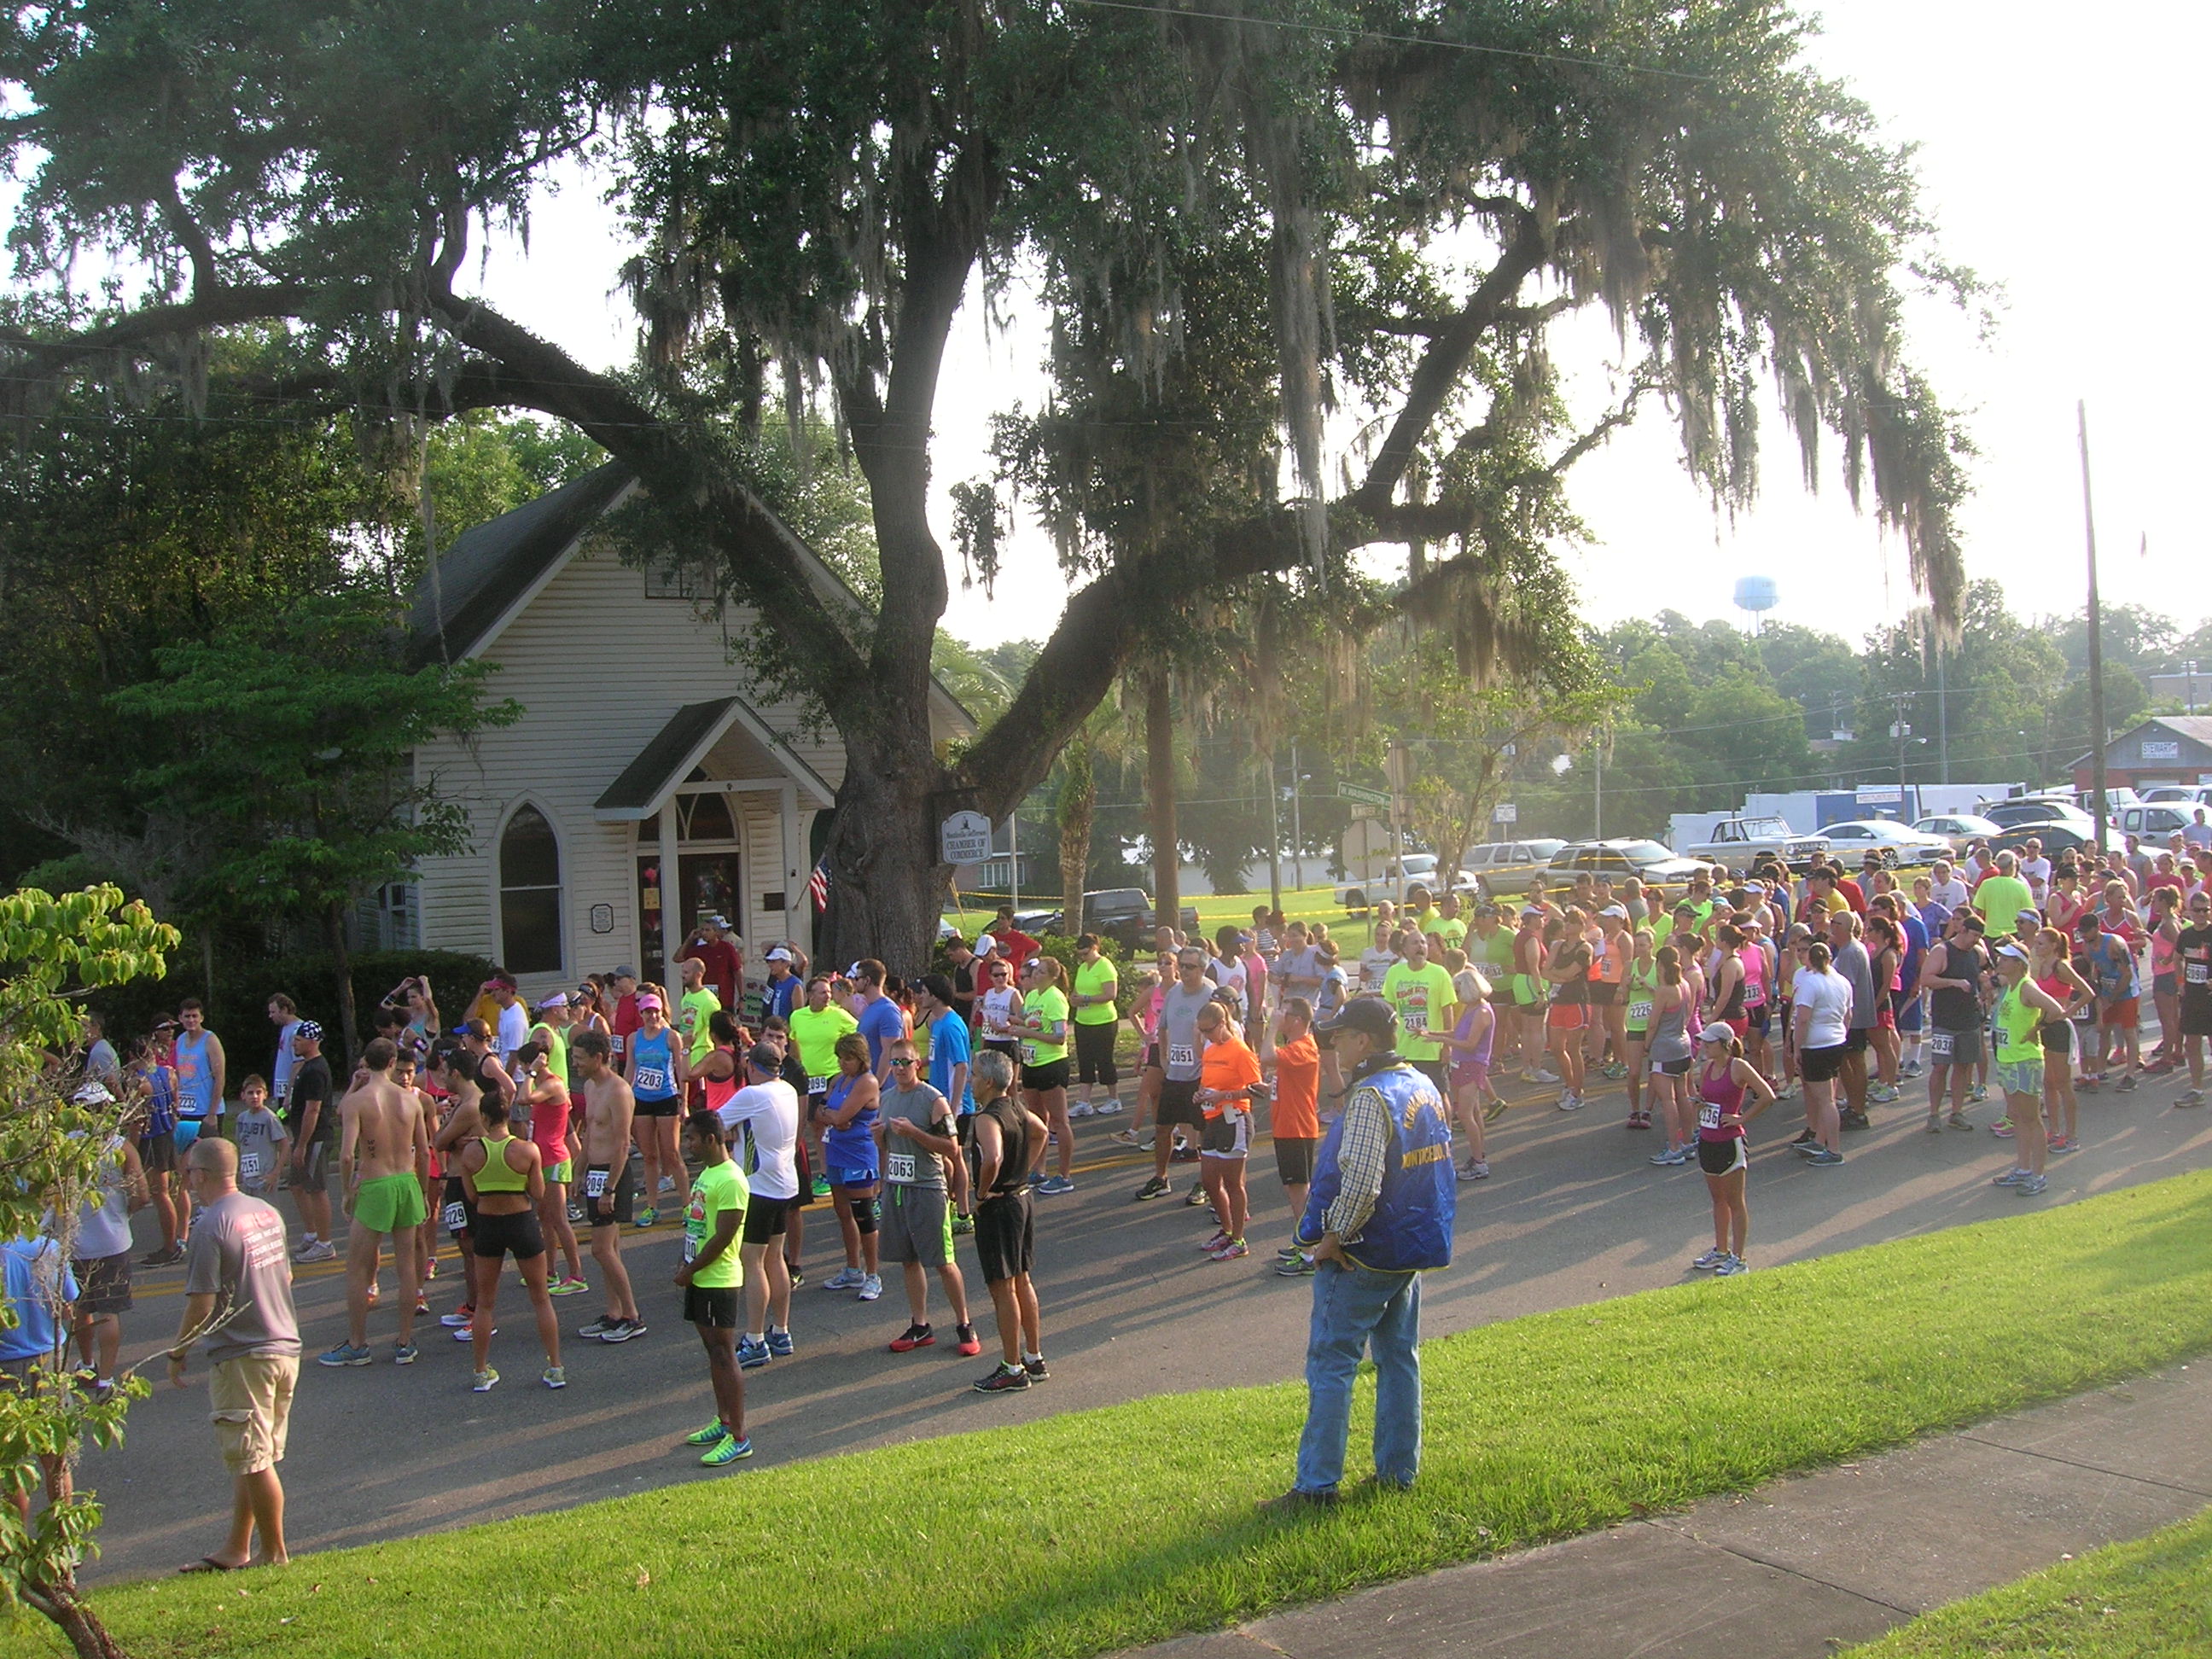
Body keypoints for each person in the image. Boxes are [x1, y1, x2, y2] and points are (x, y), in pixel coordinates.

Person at [1272, 997, 1453, 1508]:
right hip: (1411, 1246)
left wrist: (1332, 1238)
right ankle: (1399, 1471)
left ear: (1365, 1041)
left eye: (1342, 1035)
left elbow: (1363, 1182)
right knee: (1399, 1358)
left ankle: (1316, 1486)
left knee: (1332, 1363)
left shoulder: (1373, 1097)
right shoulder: (1422, 1084)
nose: (1334, 1043)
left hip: (1363, 1252)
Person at [167, 1137, 300, 1573]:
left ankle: (275, 1553)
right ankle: (237, 1546)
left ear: (200, 1175)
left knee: (253, 1458)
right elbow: (288, 1274)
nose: (188, 1181)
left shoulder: (209, 1226)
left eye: (189, 1174)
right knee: (253, 1454)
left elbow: (201, 1301)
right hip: (283, 1346)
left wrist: (179, 1350)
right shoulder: (266, 1212)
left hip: (244, 1352)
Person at [319, 1039, 430, 1368]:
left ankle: (357, 1344)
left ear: (367, 1062)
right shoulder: (410, 1101)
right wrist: (422, 1190)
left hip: (376, 1182)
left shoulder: (357, 1101)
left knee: (357, 1267)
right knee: (406, 1265)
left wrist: (346, 1192)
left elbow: (345, 1155)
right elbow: (424, 1151)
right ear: (394, 1062)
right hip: (406, 1180)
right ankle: (405, 1341)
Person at [875, 1039, 981, 1355]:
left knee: (943, 1261)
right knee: (908, 1259)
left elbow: (952, 1148)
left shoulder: (933, 1100)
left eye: (906, 1062)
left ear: (918, 1064)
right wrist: (881, 1139)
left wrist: (915, 1134)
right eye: (894, 1063)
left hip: (927, 1187)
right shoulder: (887, 1098)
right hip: (897, 1187)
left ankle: (964, 1324)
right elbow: (887, 1147)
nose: (900, 1069)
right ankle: (920, 1325)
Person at [457, 1091, 566, 1389]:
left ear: (483, 1117)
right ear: (508, 1116)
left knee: (486, 1303)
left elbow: (472, 1195)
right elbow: (539, 1193)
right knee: (541, 1298)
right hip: (521, 1223)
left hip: (488, 1224)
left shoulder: (471, 1153)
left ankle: (481, 1371)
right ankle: (555, 1366)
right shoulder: (527, 1150)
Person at [968, 1051, 1050, 1393]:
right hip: (1023, 1199)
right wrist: (1024, 1171)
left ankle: (1012, 1366)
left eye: (974, 1075)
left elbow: (992, 1157)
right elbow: (1041, 1131)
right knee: (1022, 1279)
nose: (971, 1080)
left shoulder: (987, 1118)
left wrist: (982, 1193)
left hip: (1000, 1207)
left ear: (988, 1081)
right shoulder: (1017, 1107)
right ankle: (1033, 1356)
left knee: (1001, 1286)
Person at [674, 1108, 753, 1464]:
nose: (687, 1144)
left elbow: (724, 1235)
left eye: (691, 1138)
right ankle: (723, 1421)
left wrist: (690, 1269)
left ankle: (739, 1435)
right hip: (700, 1275)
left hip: (718, 1279)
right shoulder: (707, 1174)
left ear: (711, 1139)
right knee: (713, 1353)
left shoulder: (732, 1179)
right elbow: (698, 1226)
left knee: (725, 1353)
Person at [718, 1043, 800, 1370]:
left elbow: (714, 1123)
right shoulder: (788, 1090)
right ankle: (781, 1330)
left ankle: (754, 1339)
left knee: (751, 1261)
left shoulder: (753, 1095)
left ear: (752, 1066)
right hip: (783, 1184)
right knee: (774, 1258)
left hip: (758, 1187)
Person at [65, 1091, 147, 1398]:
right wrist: (124, 1212)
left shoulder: (68, 1146)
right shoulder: (121, 1148)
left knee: (80, 1308)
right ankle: (107, 1378)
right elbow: (142, 1195)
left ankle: (86, 1364)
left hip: (75, 1242)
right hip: (113, 1241)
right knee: (109, 1312)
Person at [570, 1030, 645, 1342]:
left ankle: (632, 1315)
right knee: (609, 1249)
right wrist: (578, 1171)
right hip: (595, 1173)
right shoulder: (590, 1086)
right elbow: (589, 1134)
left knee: (601, 1248)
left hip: (613, 1176)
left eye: (579, 1059)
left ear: (598, 1058)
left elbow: (622, 1144)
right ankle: (614, 1312)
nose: (575, 1064)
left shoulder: (619, 1091)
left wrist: (610, 1189)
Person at [1688, 1026, 1778, 1276]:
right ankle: (1721, 1250)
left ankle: (1739, 1258)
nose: (1705, 1047)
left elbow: (1766, 1095)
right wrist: (1700, 1105)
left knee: (1735, 1201)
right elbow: (1709, 1098)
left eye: (1710, 1043)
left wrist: (1741, 1118)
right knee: (1717, 1200)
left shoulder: (1738, 1067)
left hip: (1730, 1141)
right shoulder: (1707, 1068)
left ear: (1725, 1044)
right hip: (1707, 1139)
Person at [1135, 947, 1217, 1199]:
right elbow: (1163, 1028)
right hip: (1174, 1073)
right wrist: (1162, 1058)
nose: (1184, 970)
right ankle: (1161, 1178)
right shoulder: (1173, 994)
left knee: (1204, 1132)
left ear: (1202, 969)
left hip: (1200, 1075)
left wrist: (1208, 1066)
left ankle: (1206, 1183)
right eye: (1182, 965)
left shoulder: (1211, 994)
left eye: (1190, 967)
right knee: (1163, 1127)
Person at [1990, 943, 2067, 1197]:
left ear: (2020, 964)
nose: (2001, 961)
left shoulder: (2026, 987)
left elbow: (2055, 1009)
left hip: (2026, 1061)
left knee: (2032, 1118)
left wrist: (2036, 1029)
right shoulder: (2009, 987)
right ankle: (2023, 1169)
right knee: (2018, 1117)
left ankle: (2038, 1174)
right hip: (2008, 1059)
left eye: (2007, 958)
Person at [1193, 998, 1265, 1260]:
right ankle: (1226, 1230)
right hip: (1213, 1119)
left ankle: (1239, 1239)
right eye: (1201, 1031)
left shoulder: (1240, 1051)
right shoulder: (1211, 1050)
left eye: (1209, 1030)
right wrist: (1202, 1094)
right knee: (1210, 1180)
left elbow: (1259, 1088)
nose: (1205, 1036)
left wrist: (1224, 1095)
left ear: (1223, 1023)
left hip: (1235, 1119)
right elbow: (1209, 1083)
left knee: (1234, 1183)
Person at [816, 1033, 883, 1300]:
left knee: (863, 1215)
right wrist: (834, 1118)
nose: (843, 1063)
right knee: (843, 1212)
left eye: (848, 1058)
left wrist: (834, 1117)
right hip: (836, 1151)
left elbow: (841, 1115)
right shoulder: (838, 1079)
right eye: (841, 1058)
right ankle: (853, 1268)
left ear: (861, 1058)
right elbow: (820, 1112)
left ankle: (873, 1273)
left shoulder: (866, 1082)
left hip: (858, 1154)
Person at [518, 1039, 587, 1295]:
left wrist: (532, 1071)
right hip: (541, 1158)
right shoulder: (540, 1083)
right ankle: (549, 1271)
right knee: (545, 1218)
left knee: (558, 1218)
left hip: (555, 1159)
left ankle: (577, 1274)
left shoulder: (551, 1084)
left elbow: (524, 1099)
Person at [1918, 910, 1992, 1132]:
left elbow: (1980, 974)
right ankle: (1933, 1114)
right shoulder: (1942, 951)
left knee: (1964, 1066)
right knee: (1941, 1066)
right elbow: (1926, 978)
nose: (1976, 941)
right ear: (1962, 930)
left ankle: (1956, 1112)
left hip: (1969, 1018)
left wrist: (1983, 986)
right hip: (1945, 1020)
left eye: (1979, 937)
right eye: (1973, 936)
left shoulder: (1975, 953)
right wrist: (1953, 982)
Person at [1011, 955, 1075, 1194]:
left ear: (1052, 977)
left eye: (1040, 973)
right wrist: (1013, 1025)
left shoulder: (1055, 998)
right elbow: (1031, 1022)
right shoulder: (1032, 996)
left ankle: (1065, 1175)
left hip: (1052, 1063)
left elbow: (1059, 1037)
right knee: (1038, 1119)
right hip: (1031, 1062)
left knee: (1059, 1121)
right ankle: (1039, 1170)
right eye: (1034, 972)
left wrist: (1026, 1031)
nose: (1035, 976)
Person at [624, 992, 688, 1227]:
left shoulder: (671, 1037)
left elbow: (681, 1071)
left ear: (662, 1012)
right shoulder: (634, 1038)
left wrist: (685, 1102)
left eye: (656, 1011)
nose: (652, 1015)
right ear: (641, 1014)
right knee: (650, 1156)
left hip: (667, 1097)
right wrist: (624, 1097)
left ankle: (687, 1206)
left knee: (671, 1153)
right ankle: (652, 1207)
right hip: (642, 1099)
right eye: (647, 1011)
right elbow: (630, 1070)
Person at [1789, 940, 1851, 1167]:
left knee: (1825, 1101)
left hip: (1816, 1046)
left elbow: (1803, 1019)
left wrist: (1797, 1049)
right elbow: (1848, 1016)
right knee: (1829, 1097)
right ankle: (1819, 1140)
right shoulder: (1843, 982)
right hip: (1836, 1042)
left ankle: (1833, 1150)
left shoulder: (1811, 983)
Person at [278, 1021, 337, 1262]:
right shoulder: (306, 1066)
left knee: (316, 1188)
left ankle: (325, 1243)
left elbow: (313, 1110)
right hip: (304, 1137)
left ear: (313, 1041)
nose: (295, 1043)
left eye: (299, 1040)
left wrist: (301, 1145)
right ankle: (312, 1233)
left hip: (315, 1137)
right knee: (296, 1184)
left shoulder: (316, 1070)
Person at [1380, 930, 1457, 1098]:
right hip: (1403, 1049)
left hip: (1430, 1049)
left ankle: (1444, 1125)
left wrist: (1447, 1045)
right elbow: (1389, 1010)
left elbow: (1447, 1011)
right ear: (1405, 949)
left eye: (1423, 943)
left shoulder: (1439, 973)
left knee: (1438, 1096)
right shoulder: (1394, 972)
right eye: (1415, 943)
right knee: (1407, 1098)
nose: (1421, 946)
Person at [1433, 971, 1494, 1182]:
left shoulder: (1482, 1012)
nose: (1456, 995)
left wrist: (1442, 1041)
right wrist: (1430, 1034)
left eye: (1458, 991)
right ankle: (1478, 1156)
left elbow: (1470, 1044)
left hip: (1472, 1065)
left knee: (1466, 1115)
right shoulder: (1471, 1008)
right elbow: (1457, 1032)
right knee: (1474, 1113)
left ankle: (1479, 1163)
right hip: (1462, 1064)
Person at [128, 1034, 184, 1264]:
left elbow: (135, 1119)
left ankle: (170, 1247)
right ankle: (174, 1241)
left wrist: (132, 1147)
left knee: (160, 1194)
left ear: (132, 1056)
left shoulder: (138, 1082)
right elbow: (176, 1104)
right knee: (167, 1191)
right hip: (167, 1134)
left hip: (151, 1137)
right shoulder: (168, 1073)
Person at [1068, 934, 1122, 1118]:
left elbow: (1111, 994)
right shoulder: (1083, 968)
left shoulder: (1105, 966)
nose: (1082, 958)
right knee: (1085, 1061)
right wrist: (1074, 999)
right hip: (1083, 1021)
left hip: (1104, 1021)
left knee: (1104, 1060)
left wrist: (1088, 999)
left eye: (1085, 953)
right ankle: (1084, 1102)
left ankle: (1114, 1099)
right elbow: (1076, 990)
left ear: (1094, 948)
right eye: (1080, 955)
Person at [2175, 892, 2212, 1107]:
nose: (2201, 914)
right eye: (2197, 910)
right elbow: (2177, 958)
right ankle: (2197, 1089)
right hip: (2192, 997)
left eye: (2205, 910)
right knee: (2192, 1043)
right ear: (2189, 910)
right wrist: (2180, 982)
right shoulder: (2186, 935)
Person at [678, 915, 744, 1011]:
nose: (704, 933)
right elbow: (678, 958)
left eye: (708, 930)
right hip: (704, 998)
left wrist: (741, 997)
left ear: (716, 932)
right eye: (703, 930)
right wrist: (689, 939)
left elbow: (737, 972)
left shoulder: (727, 948)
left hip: (724, 999)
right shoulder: (698, 950)